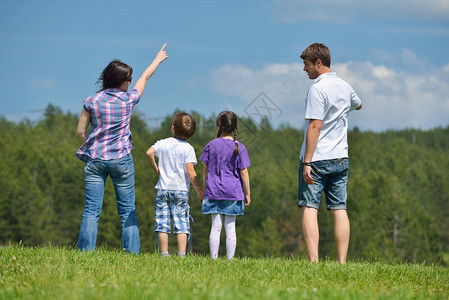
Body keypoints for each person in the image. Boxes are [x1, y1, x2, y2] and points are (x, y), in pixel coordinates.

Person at [75, 44, 168, 254]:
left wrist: (90, 142)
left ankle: (85, 252)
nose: (131, 82)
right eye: (128, 79)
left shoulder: (91, 101)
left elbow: (80, 132)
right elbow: (145, 77)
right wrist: (157, 59)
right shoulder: (129, 100)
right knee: (127, 210)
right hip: (121, 159)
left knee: (91, 210)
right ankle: (132, 253)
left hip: (95, 159)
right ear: (121, 82)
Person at [298, 43, 362, 264]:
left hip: (317, 158)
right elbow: (359, 104)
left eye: (306, 65)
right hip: (341, 157)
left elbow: (315, 126)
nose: (304, 69)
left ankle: (314, 261)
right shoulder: (345, 86)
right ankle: (341, 262)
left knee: (309, 208)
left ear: (318, 63)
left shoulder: (317, 89)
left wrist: (307, 162)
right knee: (339, 209)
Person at [146, 113, 203, 257]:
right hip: (181, 191)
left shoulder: (162, 143)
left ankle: (164, 254)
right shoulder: (188, 148)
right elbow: (190, 171)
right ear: (190, 134)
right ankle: (181, 254)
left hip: (163, 189)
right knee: (182, 223)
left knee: (162, 223)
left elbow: (149, 153)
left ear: (173, 128)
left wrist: (156, 168)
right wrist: (199, 191)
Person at [200, 111, 251, 260]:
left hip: (213, 191)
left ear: (219, 125)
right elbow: (244, 172)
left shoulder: (211, 145)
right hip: (233, 193)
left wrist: (204, 189)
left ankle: (213, 258)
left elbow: (205, 170)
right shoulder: (239, 147)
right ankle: (230, 259)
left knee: (215, 226)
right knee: (230, 227)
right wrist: (247, 193)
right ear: (235, 127)